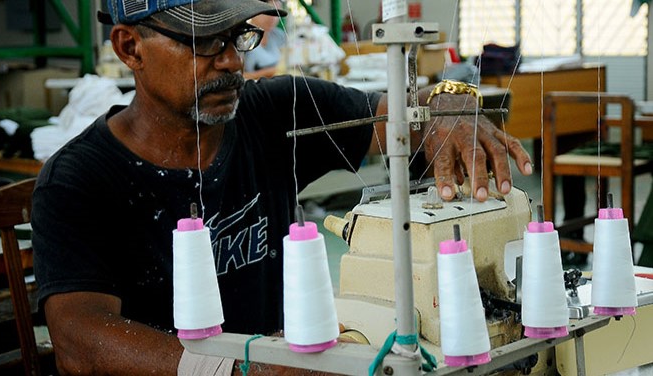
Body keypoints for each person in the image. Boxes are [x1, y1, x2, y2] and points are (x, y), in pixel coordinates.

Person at [31, 0, 533, 374]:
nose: (231, 61)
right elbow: (81, 341)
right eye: (205, 42)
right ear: (129, 47)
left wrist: (448, 103)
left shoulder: (275, 112)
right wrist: (245, 368)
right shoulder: (78, 181)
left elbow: (403, 119)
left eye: (238, 37)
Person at [243, 0, 286, 80]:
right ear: (253, 12)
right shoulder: (242, 39)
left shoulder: (278, 36)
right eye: (268, 13)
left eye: (277, 14)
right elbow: (238, 77)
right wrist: (270, 72)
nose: (272, 18)